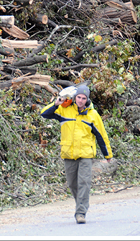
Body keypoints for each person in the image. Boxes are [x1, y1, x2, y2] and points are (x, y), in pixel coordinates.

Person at [40, 84, 112, 224]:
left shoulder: (93, 115)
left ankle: (80, 213)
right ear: (74, 97)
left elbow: (101, 136)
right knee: (73, 184)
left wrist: (107, 155)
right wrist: (56, 103)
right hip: (68, 153)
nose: (80, 100)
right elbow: (44, 114)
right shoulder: (64, 110)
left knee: (84, 183)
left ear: (87, 99)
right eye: (78, 97)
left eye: (83, 98)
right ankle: (81, 203)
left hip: (85, 154)